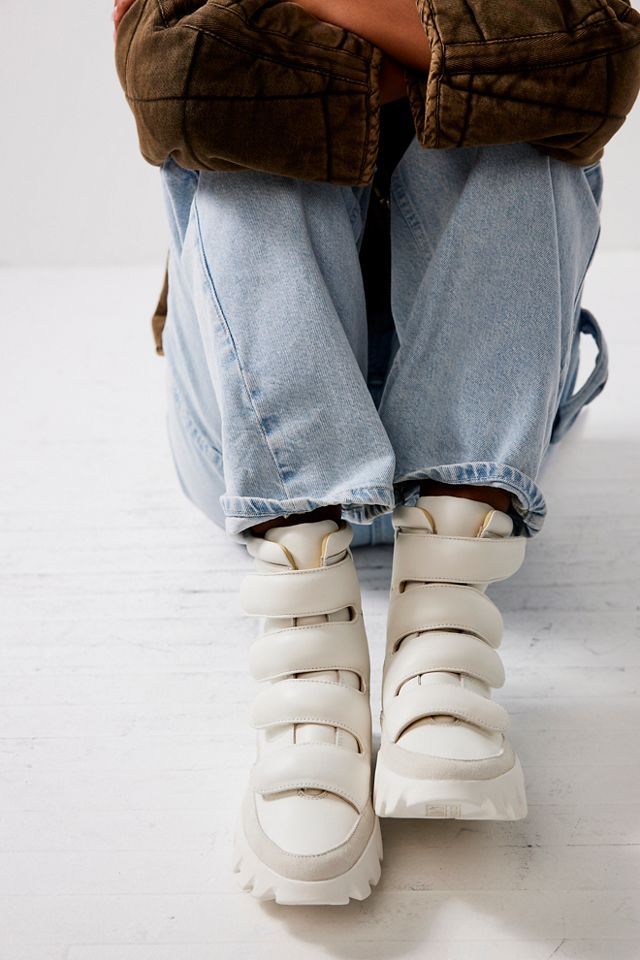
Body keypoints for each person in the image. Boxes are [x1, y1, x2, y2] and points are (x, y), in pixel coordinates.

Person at [113, 0, 640, 905]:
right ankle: (311, 669)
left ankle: (444, 632)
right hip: (255, 445)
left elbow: (599, 60)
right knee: (251, 133)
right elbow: (177, 76)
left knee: (529, 144)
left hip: (484, 448)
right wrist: (449, 48)